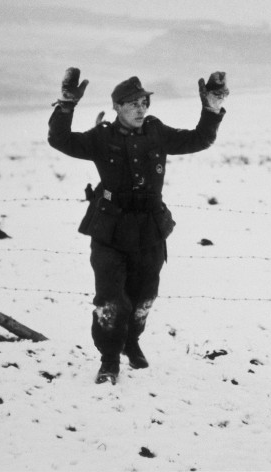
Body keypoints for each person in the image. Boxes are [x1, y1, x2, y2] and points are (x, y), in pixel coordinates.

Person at [48, 67, 228, 385]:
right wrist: (66, 105)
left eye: (144, 101)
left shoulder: (156, 132)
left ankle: (131, 341)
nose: (141, 108)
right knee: (111, 300)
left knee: (144, 296)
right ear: (117, 107)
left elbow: (200, 139)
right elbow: (59, 140)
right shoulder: (102, 137)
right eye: (132, 103)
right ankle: (109, 360)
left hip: (150, 229)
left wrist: (211, 108)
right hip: (110, 230)